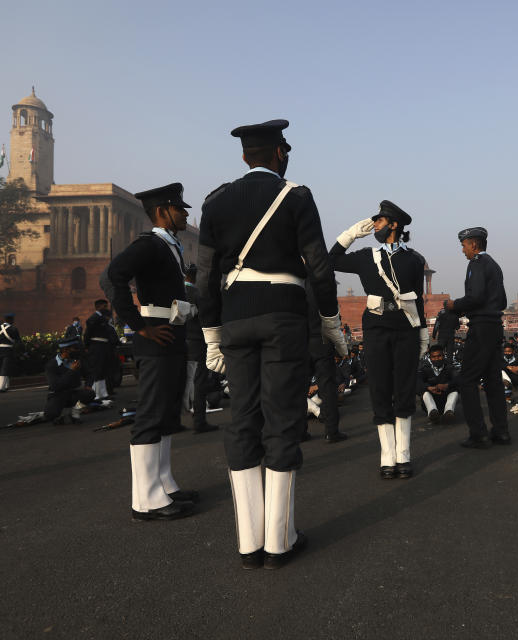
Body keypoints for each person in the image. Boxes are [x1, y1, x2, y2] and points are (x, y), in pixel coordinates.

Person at [198, 120, 346, 568]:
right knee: (282, 420)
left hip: (236, 317)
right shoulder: (297, 196)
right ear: (280, 153)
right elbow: (319, 267)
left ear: (245, 157)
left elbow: (204, 276)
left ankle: (249, 543)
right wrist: (330, 321)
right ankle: (280, 540)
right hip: (283, 314)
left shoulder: (215, 201)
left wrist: (210, 335)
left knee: (242, 420)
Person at [101, 182, 198, 523]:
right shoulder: (150, 244)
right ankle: (145, 499)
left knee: (167, 412)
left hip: (170, 334)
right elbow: (112, 275)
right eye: (179, 208)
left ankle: (164, 484)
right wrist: (137, 324)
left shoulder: (169, 246)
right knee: (151, 414)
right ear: (161, 212)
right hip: (154, 337)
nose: (186, 213)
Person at [330, 200, 426, 479]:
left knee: (405, 388)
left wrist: (422, 333)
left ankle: (404, 454)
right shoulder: (365, 256)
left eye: (381, 221)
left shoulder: (414, 259)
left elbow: (418, 299)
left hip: (406, 328)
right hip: (376, 329)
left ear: (394, 225)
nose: (376, 225)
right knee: (380, 388)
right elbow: (330, 260)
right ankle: (387, 455)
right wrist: (350, 234)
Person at [445, 227, 510, 448]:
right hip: (494, 326)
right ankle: (501, 431)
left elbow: (476, 296)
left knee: (467, 380)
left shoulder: (477, 264)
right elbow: (501, 301)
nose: (462, 250)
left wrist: (455, 305)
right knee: (492, 381)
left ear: (473, 245)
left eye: (463, 245)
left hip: (481, 327)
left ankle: (478, 434)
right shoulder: (494, 265)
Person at [305, 282, 348, 443]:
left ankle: (300, 431)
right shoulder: (323, 287)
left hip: (300, 341)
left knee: (298, 387)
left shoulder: (294, 283)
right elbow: (334, 317)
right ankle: (331, 431)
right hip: (322, 340)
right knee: (327, 386)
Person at [182, 265, 219, 434]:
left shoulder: (178, 291)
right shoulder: (198, 294)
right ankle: (199, 421)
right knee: (200, 381)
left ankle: (176, 418)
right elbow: (206, 317)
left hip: (180, 341)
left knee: (181, 380)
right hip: (198, 340)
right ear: (196, 278)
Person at [44, 336, 96, 424]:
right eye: (74, 349)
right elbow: (56, 385)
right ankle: (60, 417)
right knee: (50, 415)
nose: (77, 351)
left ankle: (74, 413)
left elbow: (89, 373)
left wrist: (88, 385)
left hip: (73, 394)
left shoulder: (76, 361)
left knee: (90, 394)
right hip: (57, 394)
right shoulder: (52, 365)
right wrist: (71, 371)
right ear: (65, 350)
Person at [417, 344, 459, 423]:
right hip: (431, 402)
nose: (437, 359)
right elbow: (417, 382)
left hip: (446, 400)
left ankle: (449, 412)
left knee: (455, 390)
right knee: (424, 391)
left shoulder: (450, 368)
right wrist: (428, 387)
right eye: (434, 357)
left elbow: (458, 379)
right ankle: (433, 413)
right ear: (430, 358)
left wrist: (447, 385)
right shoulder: (425, 370)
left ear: (443, 356)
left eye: (439, 356)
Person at [84, 300, 116, 401]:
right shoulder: (94, 318)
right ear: (98, 307)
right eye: (104, 306)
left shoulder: (102, 318)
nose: (106, 308)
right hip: (96, 346)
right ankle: (96, 394)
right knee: (97, 370)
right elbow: (87, 334)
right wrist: (87, 346)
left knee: (103, 370)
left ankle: (103, 393)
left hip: (103, 346)